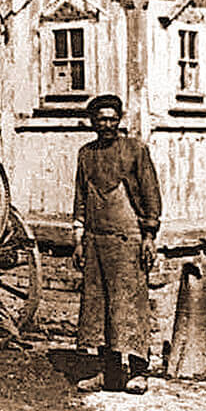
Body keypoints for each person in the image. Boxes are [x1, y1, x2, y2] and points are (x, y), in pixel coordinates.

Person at [71, 94, 161, 394]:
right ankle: (106, 373)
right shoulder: (86, 154)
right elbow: (80, 198)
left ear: (119, 120)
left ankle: (138, 371)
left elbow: (150, 194)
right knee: (99, 308)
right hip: (96, 241)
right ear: (92, 122)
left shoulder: (135, 150)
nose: (107, 124)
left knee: (131, 306)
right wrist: (78, 239)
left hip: (128, 240)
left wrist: (149, 236)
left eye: (112, 119)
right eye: (101, 119)